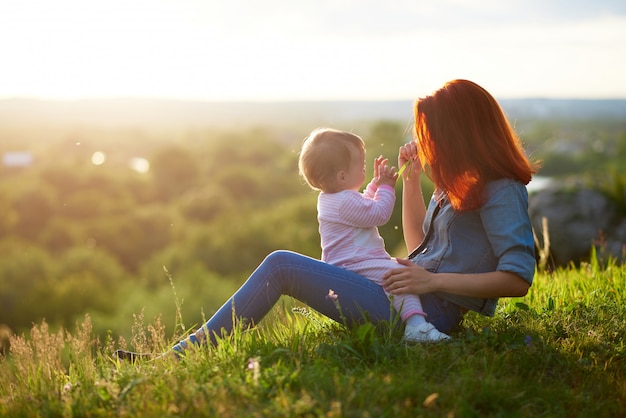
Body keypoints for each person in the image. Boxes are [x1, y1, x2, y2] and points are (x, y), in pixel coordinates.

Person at [115, 79, 537, 362]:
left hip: (433, 313)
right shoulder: (456, 185)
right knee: (283, 264)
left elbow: (518, 278)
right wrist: (411, 182)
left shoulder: (502, 189)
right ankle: (180, 354)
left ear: (462, 132)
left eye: (433, 134)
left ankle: (180, 356)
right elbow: (419, 247)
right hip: (408, 297)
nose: (428, 143)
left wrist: (432, 283)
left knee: (281, 264)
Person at [297, 128, 449, 342]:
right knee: (397, 274)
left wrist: (376, 184)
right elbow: (378, 213)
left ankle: (410, 319)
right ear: (342, 177)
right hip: (352, 264)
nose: (365, 168)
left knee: (395, 273)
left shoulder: (335, 199)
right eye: (361, 165)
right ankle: (416, 326)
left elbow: (363, 205)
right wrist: (387, 188)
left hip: (349, 262)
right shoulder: (343, 202)